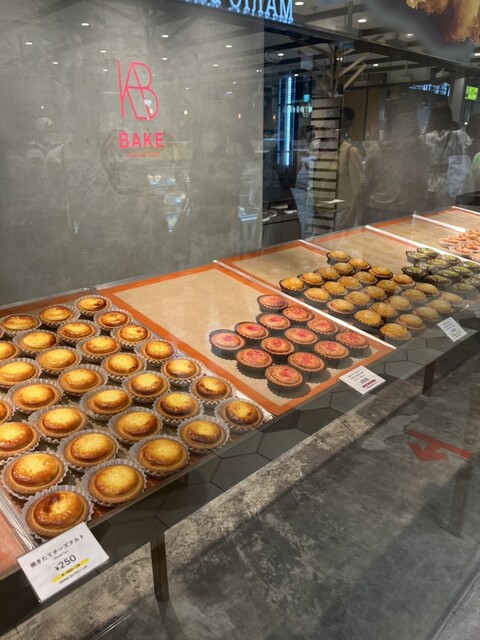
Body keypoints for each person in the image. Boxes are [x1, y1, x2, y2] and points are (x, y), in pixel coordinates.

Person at [349, 99, 429, 226]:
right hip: (404, 212)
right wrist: (422, 215)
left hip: (376, 210)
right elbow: (422, 188)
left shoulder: (376, 150)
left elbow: (364, 186)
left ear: (388, 123)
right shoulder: (420, 150)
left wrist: (351, 216)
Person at [421, 102, 472, 208]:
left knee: (427, 214)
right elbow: (465, 154)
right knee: (446, 213)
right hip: (450, 183)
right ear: (449, 116)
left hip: (429, 181)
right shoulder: (458, 136)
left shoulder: (424, 137)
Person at [334, 107, 363, 230]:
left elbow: (357, 187)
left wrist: (355, 214)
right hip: (325, 209)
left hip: (343, 210)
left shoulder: (350, 151)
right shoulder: (324, 150)